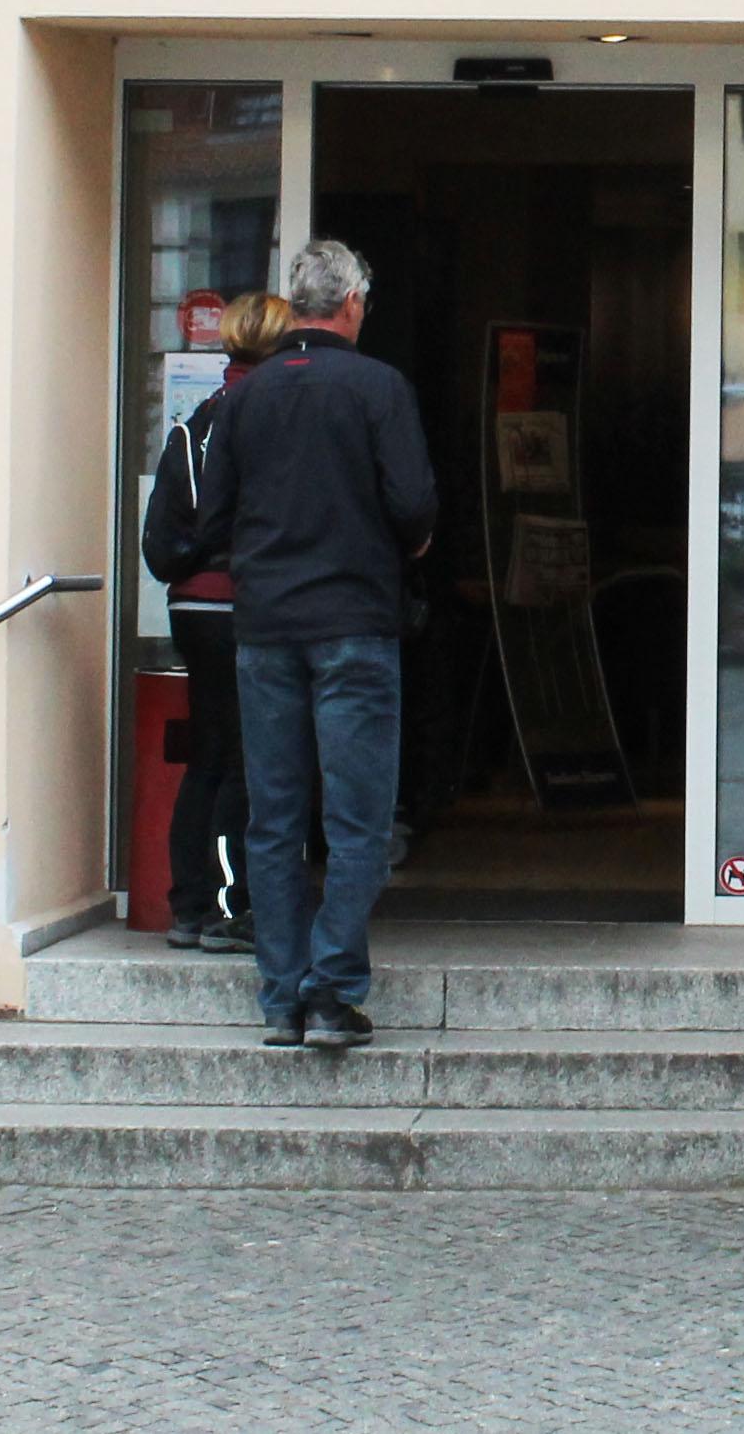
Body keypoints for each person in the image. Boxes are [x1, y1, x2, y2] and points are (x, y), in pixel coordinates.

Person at [192, 241, 435, 1052]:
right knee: (358, 820)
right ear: (354, 303)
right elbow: (414, 504)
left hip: (264, 631)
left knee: (275, 819)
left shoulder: (244, 399)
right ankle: (331, 990)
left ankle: (280, 997)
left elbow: (211, 520)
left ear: (294, 306)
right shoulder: (377, 387)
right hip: (355, 628)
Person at [138, 291, 292, 954]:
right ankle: (231, 907)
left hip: (192, 607)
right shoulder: (275, 417)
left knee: (206, 755)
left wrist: (196, 555)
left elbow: (161, 542)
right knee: (242, 759)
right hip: (246, 603)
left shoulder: (193, 422)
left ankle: (188, 904)